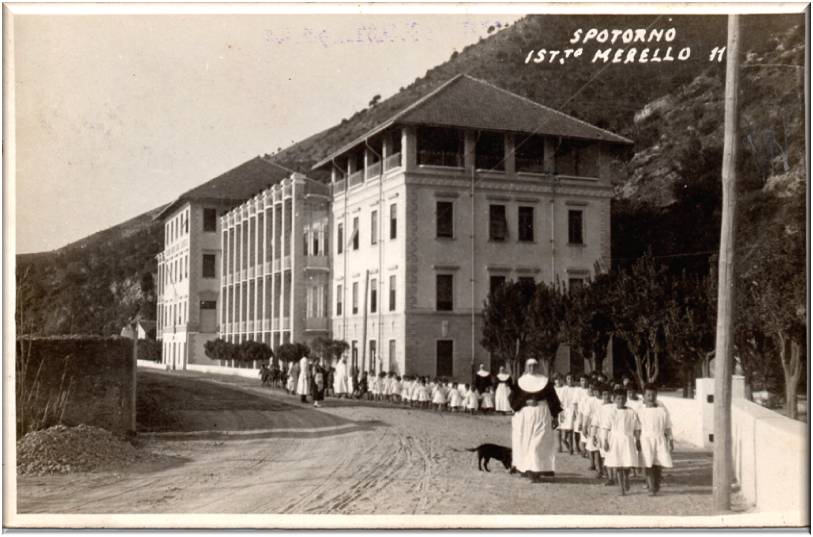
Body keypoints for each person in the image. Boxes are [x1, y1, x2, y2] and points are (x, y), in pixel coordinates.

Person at [509, 358, 563, 482]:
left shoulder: (545, 382)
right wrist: (525, 402)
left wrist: (555, 417)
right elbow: (513, 400)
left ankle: (535, 470)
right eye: (529, 366)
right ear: (526, 367)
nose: (532, 368)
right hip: (524, 416)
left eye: (534, 365)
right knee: (525, 442)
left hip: (542, 415)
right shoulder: (520, 382)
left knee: (538, 443)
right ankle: (526, 468)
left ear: (537, 367)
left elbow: (553, 399)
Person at [636, 384, 674, 496]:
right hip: (646, 439)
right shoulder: (640, 410)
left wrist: (670, 440)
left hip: (659, 439)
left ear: (656, 395)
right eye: (648, 395)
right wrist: (637, 440)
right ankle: (651, 486)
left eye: (653, 395)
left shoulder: (662, 410)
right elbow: (637, 428)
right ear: (644, 396)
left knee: (658, 463)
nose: (651, 397)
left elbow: (668, 426)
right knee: (648, 463)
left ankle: (656, 484)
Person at [604, 387, 639, 496]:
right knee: (618, 464)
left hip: (628, 440)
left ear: (626, 399)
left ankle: (626, 477)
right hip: (615, 441)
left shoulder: (631, 412)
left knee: (627, 463)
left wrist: (638, 440)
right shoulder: (612, 412)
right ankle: (621, 488)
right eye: (618, 398)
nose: (621, 401)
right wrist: (605, 440)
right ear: (614, 399)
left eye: (623, 398)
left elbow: (636, 427)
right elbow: (606, 427)